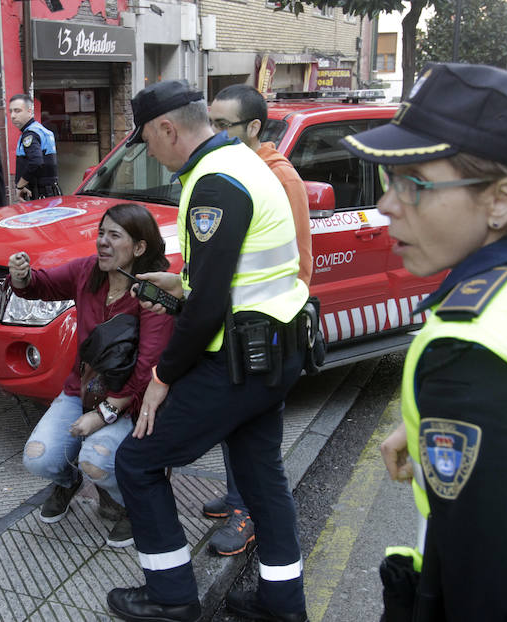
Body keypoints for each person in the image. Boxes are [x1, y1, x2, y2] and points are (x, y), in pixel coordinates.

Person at [340, 62, 507, 621]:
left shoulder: (475, 351)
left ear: (503, 199)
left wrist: (468, 397)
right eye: (388, 181)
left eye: (414, 184)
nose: (386, 206)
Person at [107, 79, 311, 622]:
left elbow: (211, 306)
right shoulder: (243, 163)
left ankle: (171, 596)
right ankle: (281, 603)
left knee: (138, 461)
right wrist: (182, 282)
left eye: (148, 141)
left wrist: (162, 377)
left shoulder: (213, 182)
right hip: (276, 348)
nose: (149, 153)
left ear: (168, 129)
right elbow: (234, 274)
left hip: (240, 361)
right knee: (261, 475)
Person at [10, 203, 174, 549]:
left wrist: (102, 416)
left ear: (139, 247)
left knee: (95, 460)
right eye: (101, 233)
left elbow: (147, 369)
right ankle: (67, 482)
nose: (102, 242)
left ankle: (132, 505)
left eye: (114, 236)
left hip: (131, 402)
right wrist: (22, 277)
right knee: (39, 457)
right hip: (81, 391)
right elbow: (41, 284)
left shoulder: (151, 291)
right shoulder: (87, 271)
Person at [199, 83, 314, 557]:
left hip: (265, 334)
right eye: (211, 124)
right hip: (233, 330)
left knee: (257, 440)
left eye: (223, 126)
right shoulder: (229, 170)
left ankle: (250, 512)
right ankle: (237, 495)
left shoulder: (277, 178)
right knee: (233, 425)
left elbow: (300, 264)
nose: (214, 134)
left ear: (253, 128)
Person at [8, 94, 60, 201]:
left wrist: (20, 186)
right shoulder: (41, 130)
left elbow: (36, 162)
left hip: (38, 194)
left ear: (29, 111)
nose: (13, 115)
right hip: (49, 192)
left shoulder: (30, 134)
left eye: (17, 111)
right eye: (11, 111)